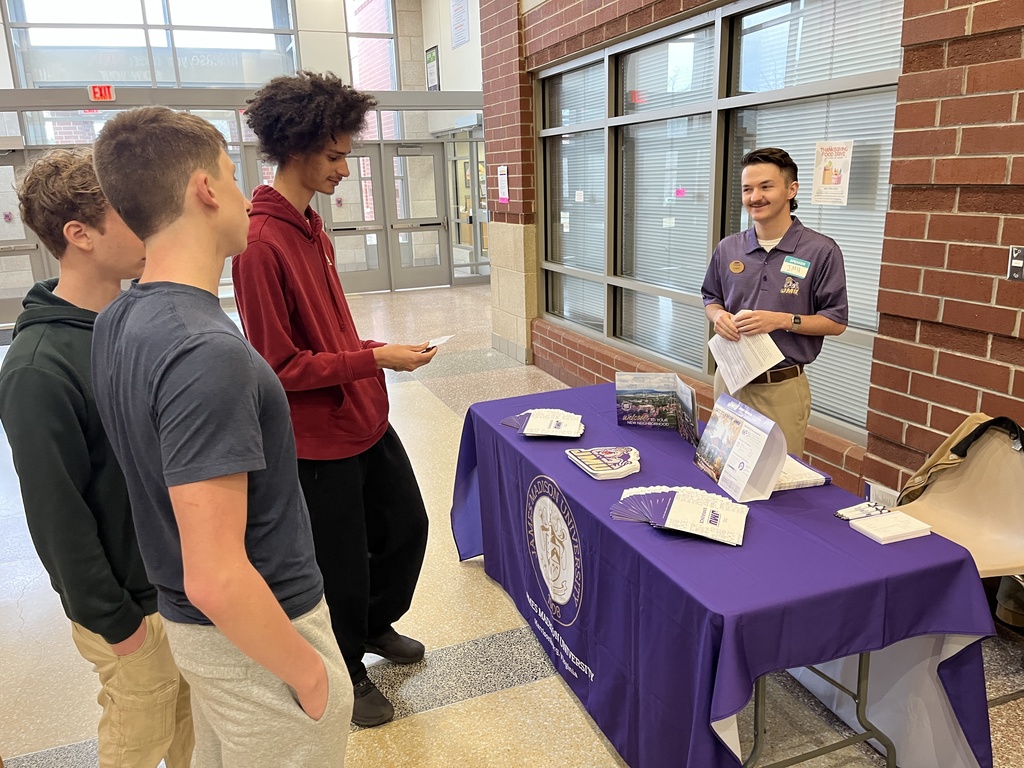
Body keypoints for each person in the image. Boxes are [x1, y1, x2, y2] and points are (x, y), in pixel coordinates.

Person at [90, 106, 352, 766]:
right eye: (233, 177)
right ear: (205, 190)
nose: (244, 195)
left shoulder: (119, 318)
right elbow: (215, 574)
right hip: (258, 633)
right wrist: (312, 674)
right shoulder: (204, 351)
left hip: (200, 634)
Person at [234, 71, 434, 727]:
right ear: (298, 147)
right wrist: (374, 358)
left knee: (407, 527)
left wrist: (373, 350)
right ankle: (345, 669)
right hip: (316, 439)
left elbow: (329, 332)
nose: (346, 169)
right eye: (337, 155)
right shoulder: (260, 244)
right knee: (339, 566)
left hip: (362, 416)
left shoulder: (310, 226)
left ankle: (375, 626)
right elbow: (279, 366)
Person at [0, 148, 194, 768]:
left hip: (184, 589)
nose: (151, 228)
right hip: (131, 611)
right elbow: (58, 520)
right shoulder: (38, 368)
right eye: (129, 216)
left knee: (194, 729)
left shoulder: (138, 321)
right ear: (78, 235)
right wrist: (120, 627)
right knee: (139, 738)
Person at [701, 147, 848, 456]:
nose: (755, 196)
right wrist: (717, 317)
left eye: (766, 186)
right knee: (721, 467)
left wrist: (782, 320)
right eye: (747, 189)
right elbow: (711, 298)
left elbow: (835, 321)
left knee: (777, 482)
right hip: (729, 380)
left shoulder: (820, 251)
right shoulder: (729, 248)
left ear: (791, 189)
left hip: (781, 389)